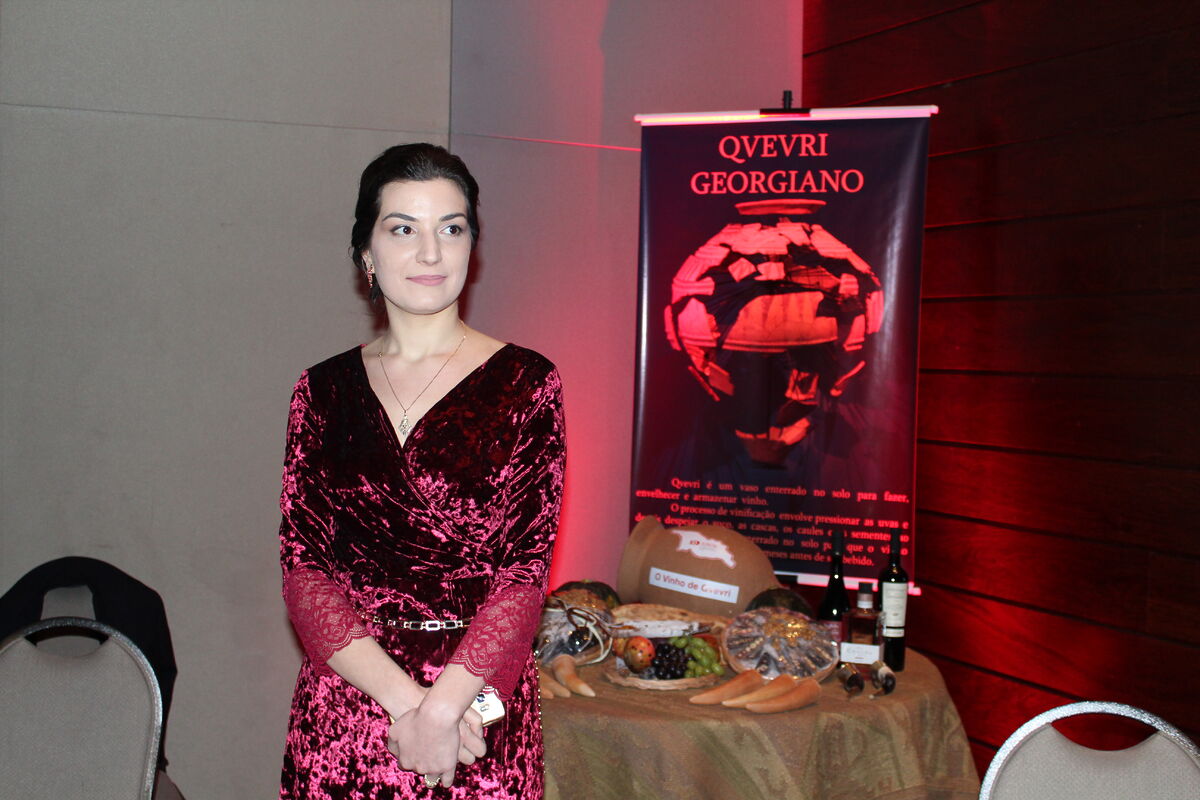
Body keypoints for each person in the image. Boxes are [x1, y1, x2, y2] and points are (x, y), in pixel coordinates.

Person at [278, 143, 565, 798]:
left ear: (472, 247)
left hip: (478, 714)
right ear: (366, 254)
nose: (431, 253)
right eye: (403, 229)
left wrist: (443, 712)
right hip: (347, 710)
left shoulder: (528, 383)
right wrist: (411, 706)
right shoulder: (321, 391)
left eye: (451, 228)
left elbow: (524, 577)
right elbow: (303, 573)